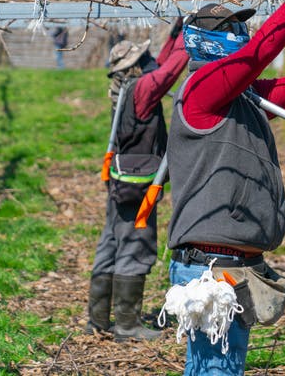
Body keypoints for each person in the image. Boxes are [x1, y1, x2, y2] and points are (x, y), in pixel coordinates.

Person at [165, 0, 285, 375]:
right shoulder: (201, 89)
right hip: (212, 264)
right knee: (216, 370)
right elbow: (257, 54)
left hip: (235, 260)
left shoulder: (242, 96)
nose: (237, 34)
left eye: (240, 27)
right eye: (227, 27)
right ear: (202, 40)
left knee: (217, 369)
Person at [86, 18, 189, 340]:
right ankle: (128, 325)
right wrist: (192, 37)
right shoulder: (141, 90)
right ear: (134, 67)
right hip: (136, 186)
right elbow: (169, 72)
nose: (150, 62)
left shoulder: (128, 88)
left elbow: (160, 64)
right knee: (136, 245)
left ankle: (98, 320)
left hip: (121, 180)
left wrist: (175, 34)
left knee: (111, 243)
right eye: (143, 59)